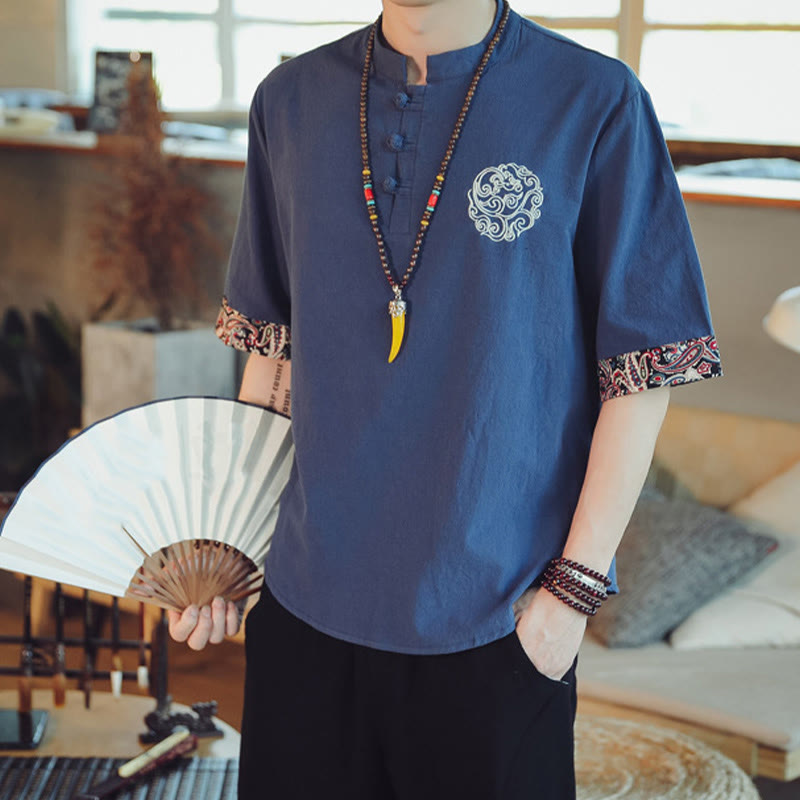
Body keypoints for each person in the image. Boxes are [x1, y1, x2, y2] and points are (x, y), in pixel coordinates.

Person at [168, 0, 724, 797]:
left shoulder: (595, 100)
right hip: (304, 610)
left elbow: (642, 372)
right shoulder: (287, 101)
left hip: (498, 621)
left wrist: (570, 597)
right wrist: (229, 545)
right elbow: (271, 354)